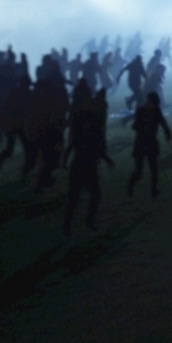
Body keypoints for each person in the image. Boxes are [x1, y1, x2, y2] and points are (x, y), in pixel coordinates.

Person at [63, 89, 113, 235]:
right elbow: (101, 150)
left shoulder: (81, 130)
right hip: (88, 166)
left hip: (78, 165)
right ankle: (88, 221)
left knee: (74, 197)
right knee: (94, 195)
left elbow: (71, 146)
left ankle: (68, 225)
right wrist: (107, 160)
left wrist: (65, 161)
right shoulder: (97, 131)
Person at [127, 91, 172, 198]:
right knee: (139, 172)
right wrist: (145, 128)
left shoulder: (154, 111)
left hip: (148, 143)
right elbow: (135, 126)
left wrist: (167, 133)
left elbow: (163, 123)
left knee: (154, 169)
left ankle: (153, 190)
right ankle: (130, 187)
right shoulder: (142, 111)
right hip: (142, 143)